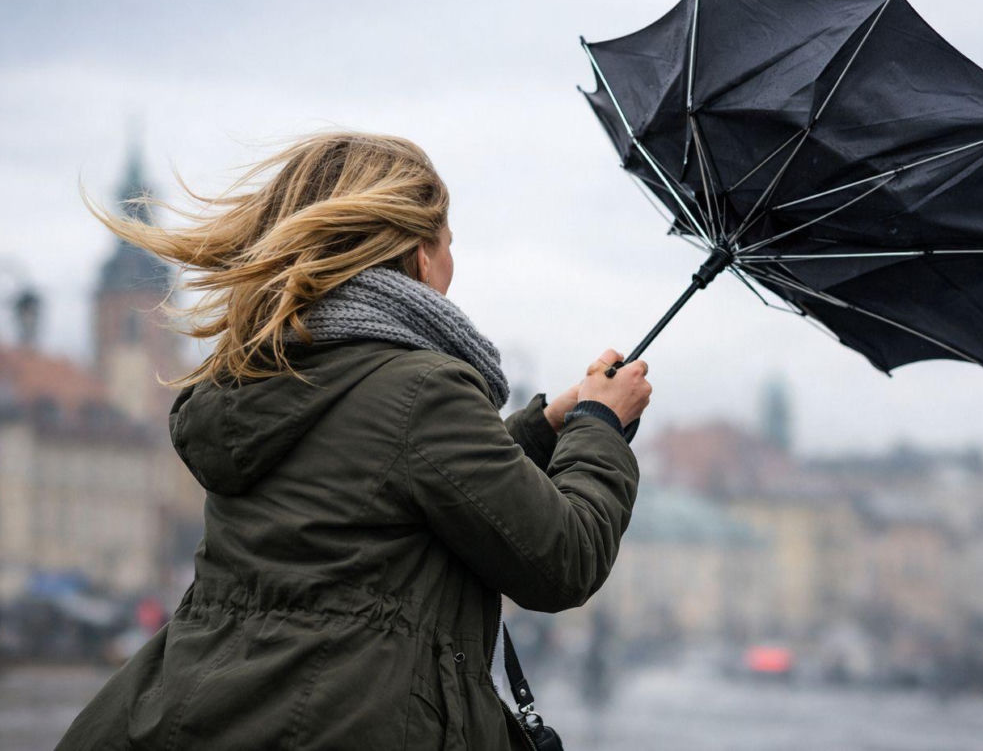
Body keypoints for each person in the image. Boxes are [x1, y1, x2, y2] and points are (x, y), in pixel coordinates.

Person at [57, 131, 651, 750]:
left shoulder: (263, 373)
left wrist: (545, 428)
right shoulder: (423, 389)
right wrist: (601, 428)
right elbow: (561, 560)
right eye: (448, 245)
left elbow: (384, 488)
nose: (450, 264)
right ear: (420, 256)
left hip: (190, 711)